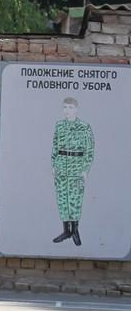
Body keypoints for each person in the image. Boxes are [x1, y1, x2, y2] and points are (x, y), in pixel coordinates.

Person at [51, 97, 94, 246]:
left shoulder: (84, 127)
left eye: (70, 107)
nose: (67, 110)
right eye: (65, 107)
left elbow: (89, 150)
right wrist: (53, 165)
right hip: (61, 166)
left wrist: (85, 169)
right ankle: (66, 231)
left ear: (76, 109)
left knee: (75, 200)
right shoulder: (59, 126)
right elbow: (55, 146)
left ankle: (75, 230)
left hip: (77, 167)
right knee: (62, 199)